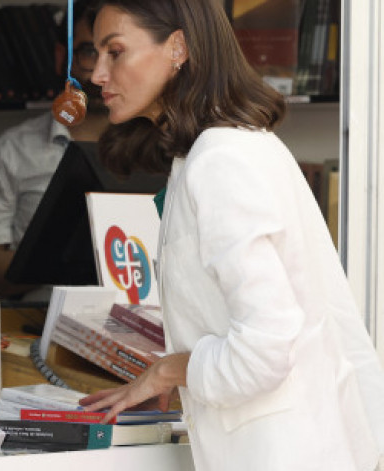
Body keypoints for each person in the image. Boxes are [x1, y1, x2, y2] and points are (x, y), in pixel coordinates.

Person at [77, 1, 384, 470]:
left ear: (177, 47)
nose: (97, 74)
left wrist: (167, 371)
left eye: (115, 52)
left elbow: (264, 349)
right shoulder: (221, 147)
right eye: (94, 55)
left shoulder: (221, 159)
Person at [0, 0, 108, 299]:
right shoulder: (8, 153)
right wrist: (75, 260)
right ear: (62, 57)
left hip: (149, 327)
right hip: (41, 327)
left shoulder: (165, 146)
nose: (103, 71)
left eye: (116, 53)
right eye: (90, 52)